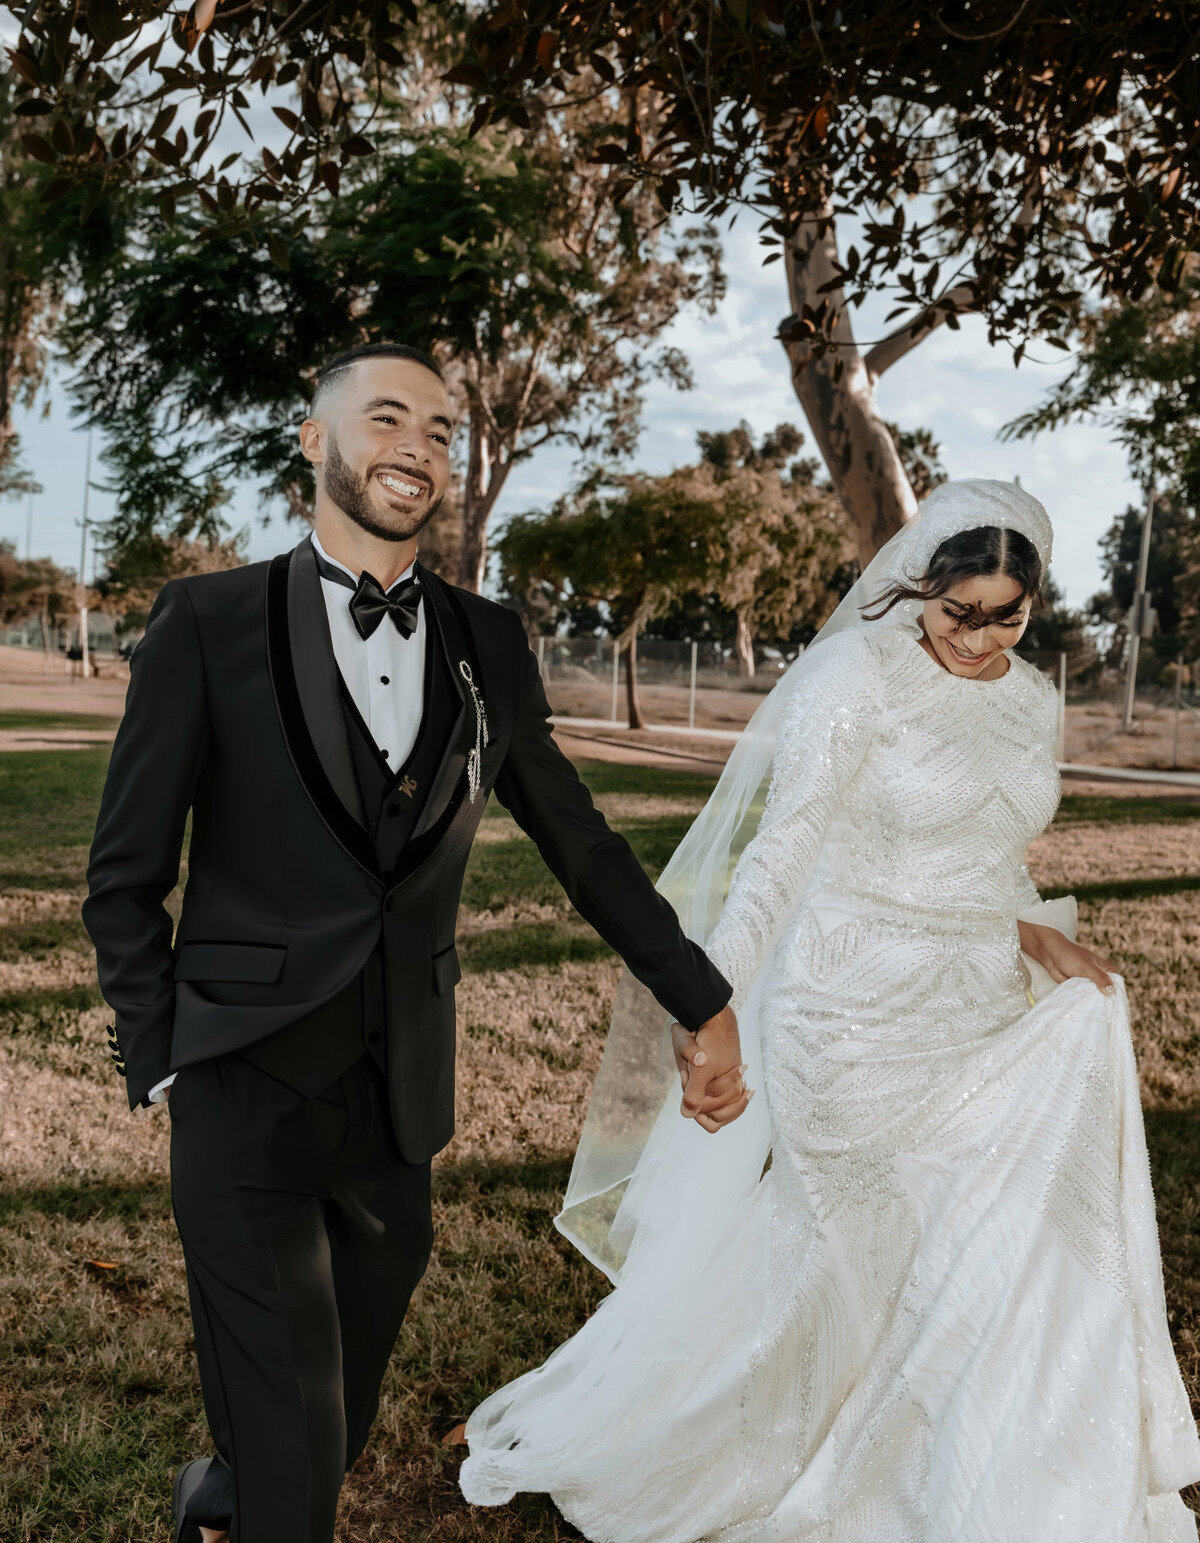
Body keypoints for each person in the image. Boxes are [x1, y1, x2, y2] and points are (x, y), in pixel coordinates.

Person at [83, 342, 749, 1543]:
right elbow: (124, 876)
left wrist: (699, 995)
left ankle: (215, 1502)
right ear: (314, 439)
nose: (419, 448)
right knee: (296, 1436)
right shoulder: (207, 619)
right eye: (387, 418)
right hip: (239, 1083)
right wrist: (162, 1051)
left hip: (399, 1102)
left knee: (330, 1410)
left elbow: (582, 844)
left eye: (442, 430)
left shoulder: (487, 641)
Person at [459, 479, 1200, 1543]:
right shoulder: (856, 678)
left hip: (978, 996)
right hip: (848, 1010)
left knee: (982, 1247)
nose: (984, 638)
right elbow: (783, 851)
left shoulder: (1035, 700)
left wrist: (1027, 924)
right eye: (962, 613)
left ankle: (971, 1468)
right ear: (919, 589)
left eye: (1011, 615)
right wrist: (704, 999)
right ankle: (778, 1449)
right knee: (853, 1251)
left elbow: (992, 849)